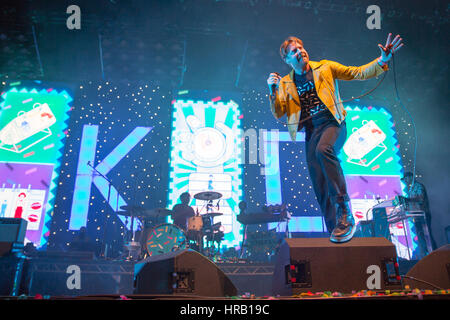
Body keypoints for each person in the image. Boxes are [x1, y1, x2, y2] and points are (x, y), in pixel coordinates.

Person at [267, 33, 403, 243]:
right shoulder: (285, 83)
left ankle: (344, 211)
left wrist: (382, 61)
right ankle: (336, 228)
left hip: (333, 123)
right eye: (294, 51)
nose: (300, 51)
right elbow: (279, 113)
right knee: (317, 180)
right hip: (312, 132)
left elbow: (357, 72)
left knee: (324, 150)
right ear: (286, 59)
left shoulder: (324, 67)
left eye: (301, 47)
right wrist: (272, 90)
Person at [401, 172, 437, 252]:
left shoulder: (418, 186)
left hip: (423, 214)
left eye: (406, 178)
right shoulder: (411, 188)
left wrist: (408, 200)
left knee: (427, 236)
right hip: (417, 216)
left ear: (411, 177)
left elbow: (421, 198)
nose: (405, 181)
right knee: (421, 236)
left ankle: (434, 253)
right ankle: (427, 254)